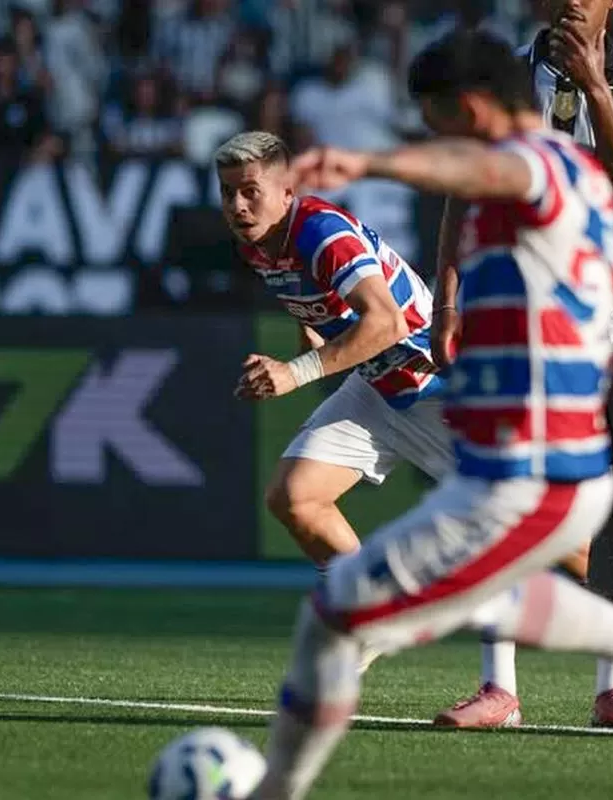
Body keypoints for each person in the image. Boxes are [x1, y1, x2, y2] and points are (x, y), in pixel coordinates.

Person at [250, 30, 613, 799]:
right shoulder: (561, 185)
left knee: (341, 613)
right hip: (510, 457)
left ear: (474, 109)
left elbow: (481, 169)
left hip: (530, 458)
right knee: (489, 588)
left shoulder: (536, 166)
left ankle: (273, 790)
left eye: (440, 123)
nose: (441, 142)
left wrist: (370, 163)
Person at [430, 0, 613, 731]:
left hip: (607, 319)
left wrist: (594, 86)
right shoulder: (503, 75)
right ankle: (498, 686)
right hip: (511, 314)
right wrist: (447, 298)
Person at [218, 130, 450, 674]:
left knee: (551, 541)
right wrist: (310, 337)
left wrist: (296, 372)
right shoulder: (257, 242)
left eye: (250, 191)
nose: (238, 205)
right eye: (228, 192)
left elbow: (387, 322)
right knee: (294, 498)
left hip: (436, 390)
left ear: (287, 190)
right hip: (375, 387)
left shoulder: (323, 231)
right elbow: (316, 302)